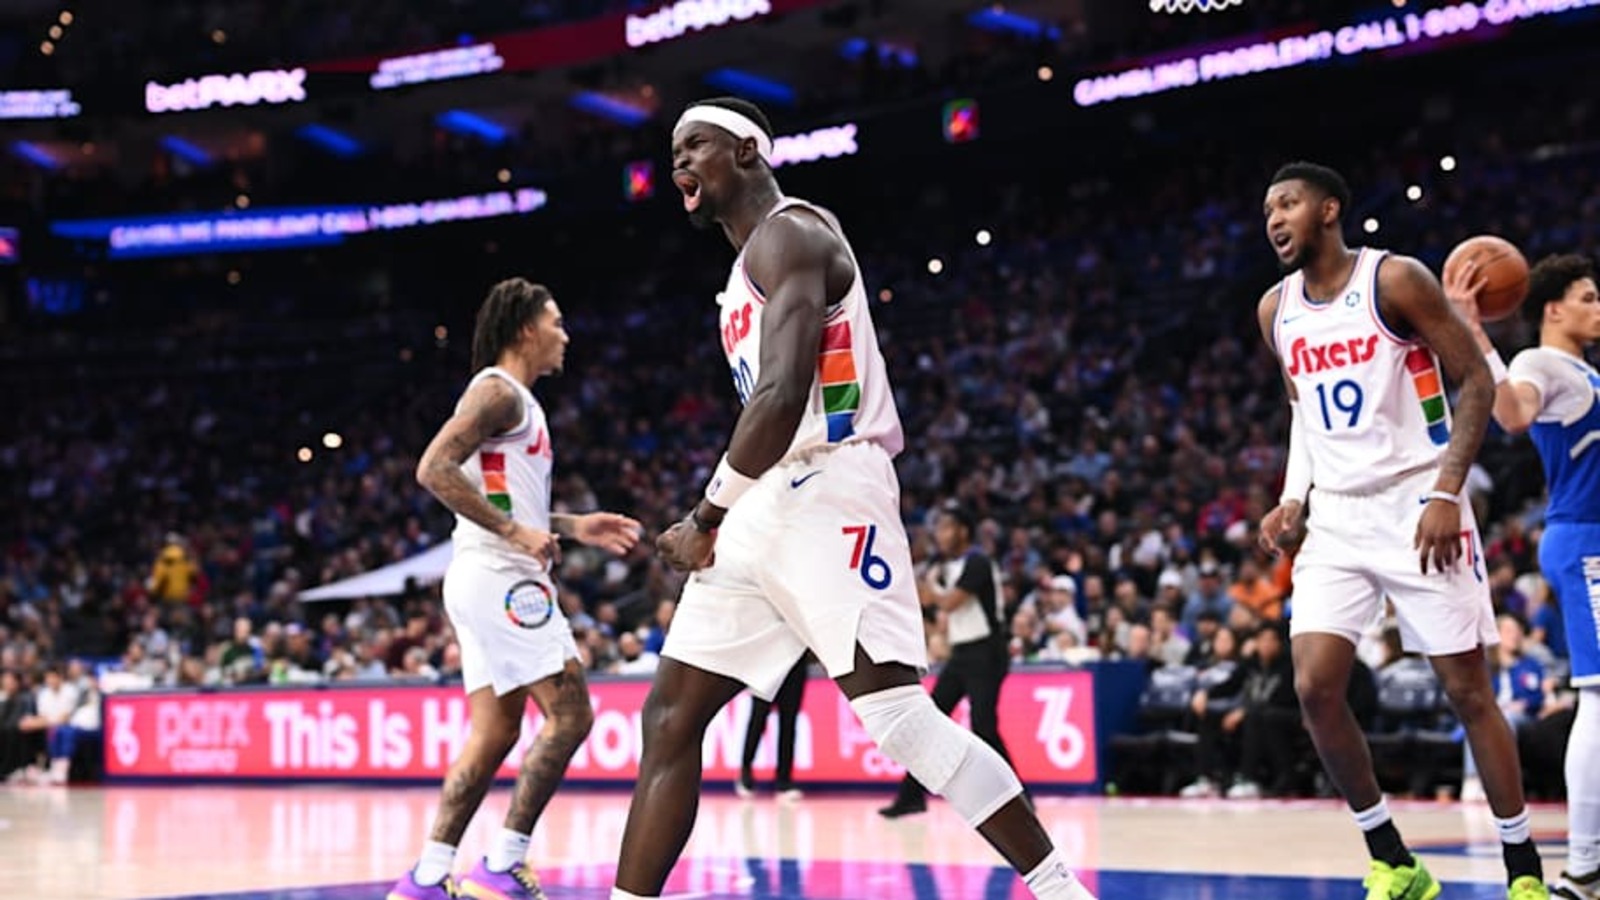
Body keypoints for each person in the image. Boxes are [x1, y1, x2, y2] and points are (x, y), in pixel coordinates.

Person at [609, 97, 1093, 900]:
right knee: (668, 719)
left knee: (900, 718)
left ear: (748, 151)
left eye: (695, 145)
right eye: (673, 151)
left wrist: (705, 516)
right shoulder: (745, 267)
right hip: (765, 500)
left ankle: (1061, 889)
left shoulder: (793, 234)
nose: (678, 162)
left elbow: (782, 394)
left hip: (828, 488)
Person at [1255, 161, 1547, 900]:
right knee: (1315, 687)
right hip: (1336, 517)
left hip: (1418, 501)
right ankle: (1393, 857)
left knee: (1468, 692)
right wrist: (1293, 499)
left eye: (1288, 204)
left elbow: (1475, 381)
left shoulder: (1394, 280)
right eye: (1268, 211)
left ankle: (1524, 872)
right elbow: (1302, 412)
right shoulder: (1275, 309)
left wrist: (1447, 490)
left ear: (1329, 209)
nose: (1275, 219)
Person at [390, 278, 642, 900]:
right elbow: (433, 468)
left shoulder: (513, 400)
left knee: (495, 732)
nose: (565, 335)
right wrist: (511, 532)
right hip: (504, 580)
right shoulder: (500, 393)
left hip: (481, 574)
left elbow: (511, 506)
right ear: (526, 330)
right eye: (556, 322)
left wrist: (573, 527)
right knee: (572, 714)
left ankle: (427, 877)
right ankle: (503, 864)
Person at [1446, 252, 1600, 899]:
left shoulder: (1583, 370)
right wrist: (1474, 330)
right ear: (1553, 310)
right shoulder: (1540, 362)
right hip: (1586, 542)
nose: (1599, 307)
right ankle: (1584, 869)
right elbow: (1512, 413)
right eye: (1589, 297)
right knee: (1598, 697)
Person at [881, 504, 1016, 818]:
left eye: (946, 528)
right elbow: (937, 610)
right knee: (929, 723)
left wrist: (928, 589)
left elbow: (950, 603)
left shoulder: (978, 561)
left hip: (987, 652)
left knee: (984, 726)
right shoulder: (945, 567)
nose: (939, 535)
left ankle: (1016, 798)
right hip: (961, 653)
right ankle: (911, 798)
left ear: (963, 531)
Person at [735, 656, 808, 800]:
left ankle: (784, 781)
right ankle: (745, 772)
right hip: (767, 665)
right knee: (758, 718)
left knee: (789, 723)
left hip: (795, 665)